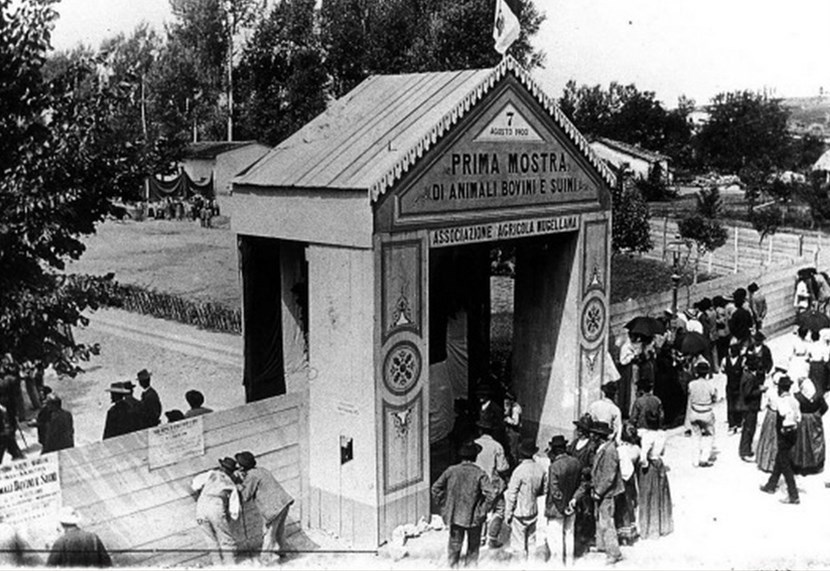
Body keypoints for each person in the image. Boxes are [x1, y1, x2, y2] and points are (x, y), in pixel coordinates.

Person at [431, 441, 494, 568]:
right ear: (475, 457)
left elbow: (435, 489)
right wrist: (482, 511)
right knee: (473, 548)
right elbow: (491, 495)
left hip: (455, 516)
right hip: (474, 518)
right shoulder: (480, 473)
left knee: (454, 548)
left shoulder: (451, 471)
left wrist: (444, 505)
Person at [234, 451, 295, 564]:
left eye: (238, 464)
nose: (236, 466)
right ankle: (283, 552)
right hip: (284, 501)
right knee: (279, 530)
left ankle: (264, 560)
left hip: (273, 508)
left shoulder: (251, 475)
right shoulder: (261, 470)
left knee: (268, 533)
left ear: (242, 467)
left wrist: (238, 484)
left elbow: (245, 496)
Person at [760, 376, 801, 504]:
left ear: (780, 388)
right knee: (780, 458)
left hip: (785, 434)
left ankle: (793, 495)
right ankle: (771, 485)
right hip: (794, 433)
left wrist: (784, 429)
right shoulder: (795, 400)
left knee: (785, 464)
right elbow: (798, 418)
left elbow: (785, 416)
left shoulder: (782, 401)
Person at [192, 457, 241, 565]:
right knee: (225, 538)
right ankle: (230, 564)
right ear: (231, 472)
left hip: (201, 505)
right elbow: (234, 507)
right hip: (216, 506)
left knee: (210, 539)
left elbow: (195, 484)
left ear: (221, 467)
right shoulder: (230, 484)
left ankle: (217, 564)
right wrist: (232, 516)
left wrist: (201, 490)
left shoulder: (211, 474)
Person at [589, 421, 624, 565]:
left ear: (599, 436)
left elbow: (609, 476)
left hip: (607, 493)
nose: (591, 435)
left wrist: (598, 491)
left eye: (593, 433)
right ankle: (602, 546)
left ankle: (614, 553)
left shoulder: (609, 451)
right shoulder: (602, 447)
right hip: (601, 491)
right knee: (600, 519)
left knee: (607, 522)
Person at [504, 439, 547, 559]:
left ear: (521, 454)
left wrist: (508, 513)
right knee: (531, 541)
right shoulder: (540, 469)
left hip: (520, 512)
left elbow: (511, 494)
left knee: (518, 546)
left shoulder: (519, 471)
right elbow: (543, 490)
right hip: (533, 511)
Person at [543, 435, 581, 567]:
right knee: (569, 534)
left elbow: (554, 491)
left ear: (554, 450)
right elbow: (581, 485)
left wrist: (562, 506)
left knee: (556, 536)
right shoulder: (575, 462)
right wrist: (574, 500)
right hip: (572, 505)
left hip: (556, 508)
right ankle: (569, 563)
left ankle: (558, 565)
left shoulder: (554, 466)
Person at [637, 403, 673, 540]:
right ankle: (661, 526)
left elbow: (643, 457)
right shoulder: (662, 435)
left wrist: (644, 465)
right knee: (660, 494)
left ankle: (647, 529)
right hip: (659, 463)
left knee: (647, 495)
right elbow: (662, 452)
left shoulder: (647, 436)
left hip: (650, 465)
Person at [474, 415, 509, 548]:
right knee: (499, 509)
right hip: (493, 484)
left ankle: (480, 538)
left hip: (478, 483)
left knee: (481, 508)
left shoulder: (475, 443)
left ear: (480, 430)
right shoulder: (497, 446)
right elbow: (502, 467)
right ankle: (492, 539)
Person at [567, 414, 597, 558]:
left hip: (584, 483)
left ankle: (584, 541)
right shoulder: (574, 444)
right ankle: (574, 541)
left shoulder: (591, 446)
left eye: (581, 429)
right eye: (578, 428)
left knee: (586, 512)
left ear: (586, 431)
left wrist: (581, 469)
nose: (578, 431)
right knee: (574, 512)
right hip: (573, 481)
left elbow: (593, 467)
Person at [47, 507, 112, 567]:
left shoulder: (60, 542)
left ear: (61, 524)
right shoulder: (93, 537)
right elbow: (107, 563)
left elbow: (50, 566)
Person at [792, 377, 827, 476]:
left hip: (802, 421)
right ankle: (815, 465)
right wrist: (816, 415)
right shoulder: (818, 396)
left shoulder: (798, 397)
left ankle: (801, 464)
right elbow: (825, 407)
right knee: (814, 442)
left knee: (801, 443)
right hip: (814, 421)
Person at [615, 423, 641, 546]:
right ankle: (630, 533)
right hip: (632, 480)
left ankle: (621, 534)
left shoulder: (620, 450)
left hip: (621, 480)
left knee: (621, 507)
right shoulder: (636, 449)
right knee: (630, 505)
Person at [687, 361, 717, 467]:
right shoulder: (710, 385)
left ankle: (695, 460)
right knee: (709, 435)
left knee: (695, 436)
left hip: (694, 412)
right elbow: (714, 398)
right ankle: (704, 458)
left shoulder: (691, 384)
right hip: (706, 412)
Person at [738, 354, 765, 462]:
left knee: (748, 428)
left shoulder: (746, 375)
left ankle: (746, 449)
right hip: (750, 407)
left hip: (748, 406)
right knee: (749, 428)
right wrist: (760, 390)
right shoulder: (750, 378)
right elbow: (747, 393)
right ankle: (745, 451)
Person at [723, 340, 745, 434]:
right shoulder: (725, 360)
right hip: (730, 385)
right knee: (730, 405)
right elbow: (723, 370)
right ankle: (732, 424)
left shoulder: (742, 360)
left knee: (738, 405)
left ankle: (739, 423)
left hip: (739, 386)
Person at [503, 390, 522, 465]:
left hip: (514, 431)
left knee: (513, 450)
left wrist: (507, 419)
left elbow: (515, 422)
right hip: (510, 431)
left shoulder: (515, 408)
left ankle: (513, 465)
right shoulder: (511, 407)